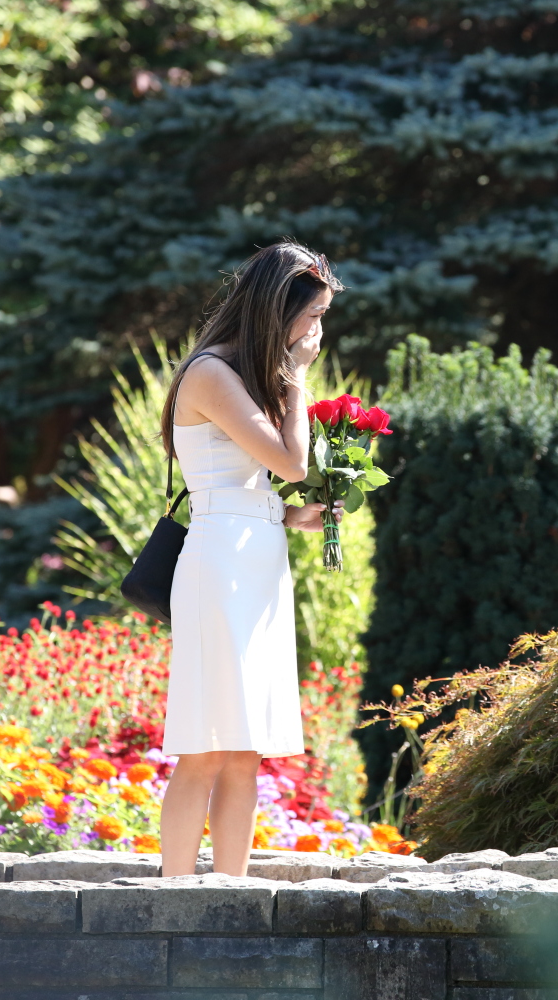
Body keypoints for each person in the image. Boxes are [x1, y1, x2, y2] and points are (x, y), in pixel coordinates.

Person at [156, 241, 344, 876]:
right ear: (276, 311)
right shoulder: (211, 373)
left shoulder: (245, 377)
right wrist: (298, 377)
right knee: (204, 745)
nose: (317, 331)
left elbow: (253, 484)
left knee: (244, 749)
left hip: (258, 561)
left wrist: (296, 515)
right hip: (219, 568)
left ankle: (229, 897)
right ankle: (174, 899)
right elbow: (289, 462)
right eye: (312, 316)